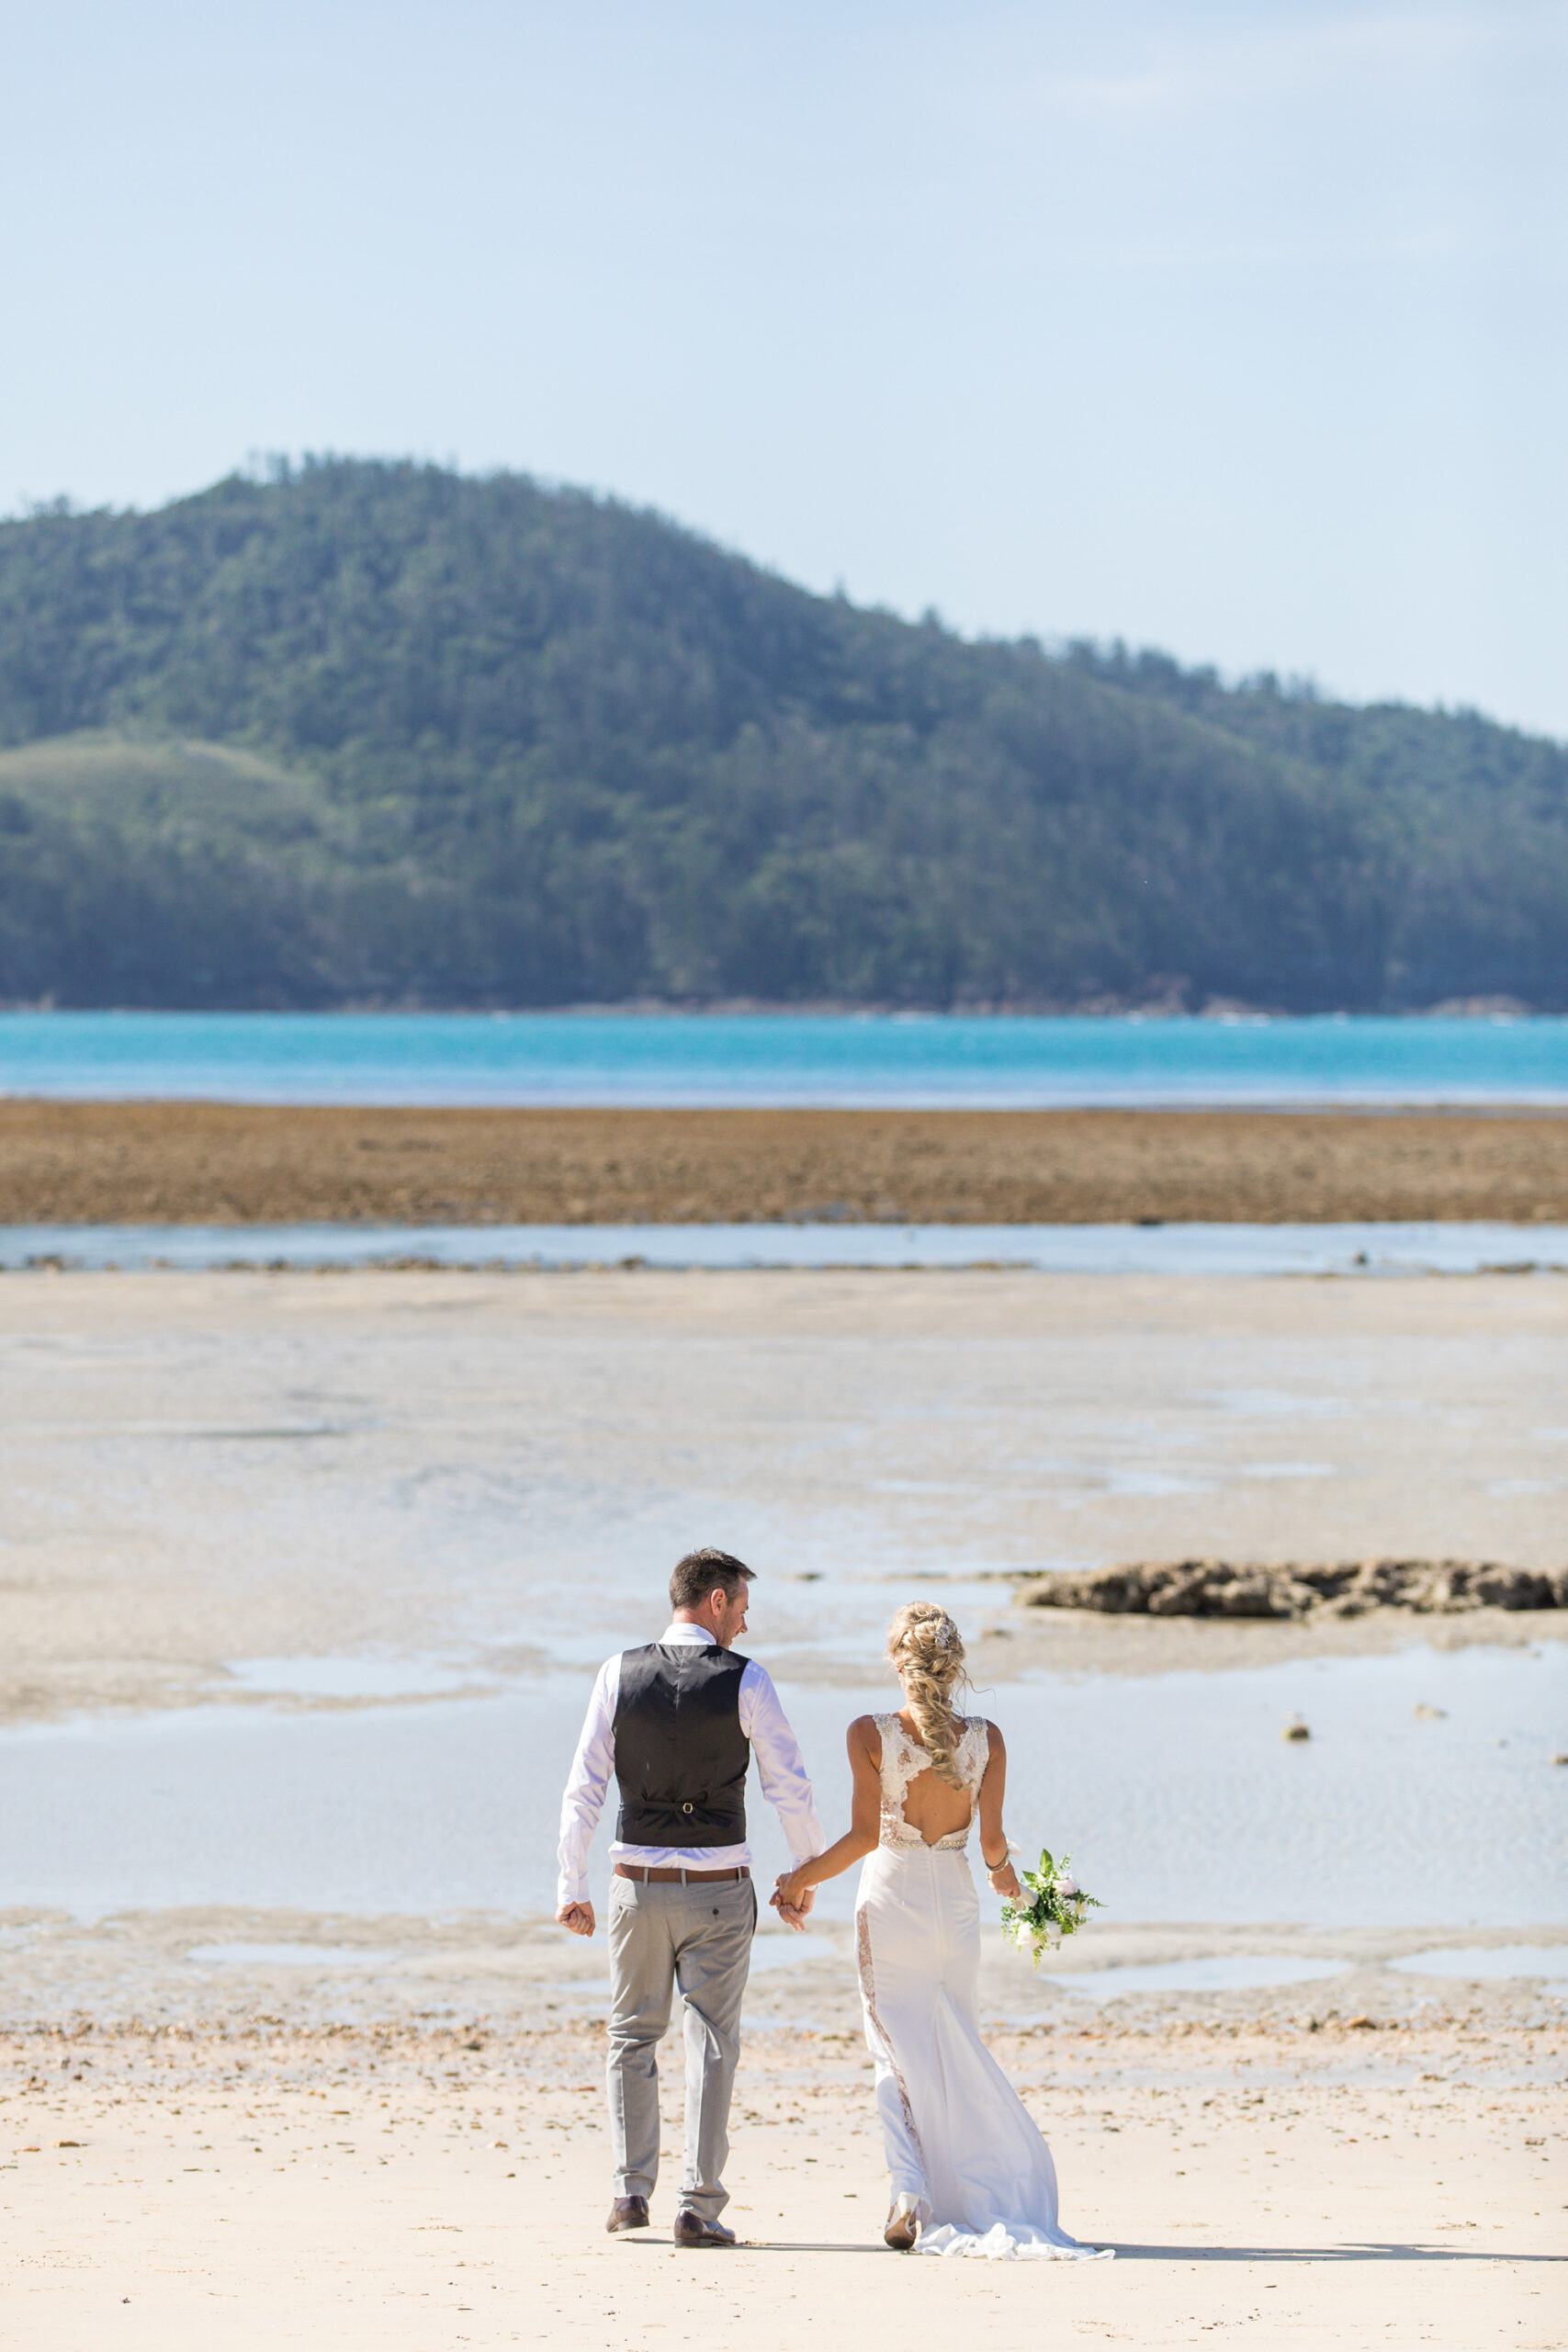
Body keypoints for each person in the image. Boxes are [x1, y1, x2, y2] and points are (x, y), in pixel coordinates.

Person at [772, 1600, 1111, 2261]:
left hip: (892, 1898)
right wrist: (1021, 1890)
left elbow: (866, 1837)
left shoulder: (869, 1733)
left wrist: (798, 1880)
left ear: (898, 1662)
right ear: (953, 1666)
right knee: (955, 2049)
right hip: (956, 1908)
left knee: (893, 2054)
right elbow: (991, 1848)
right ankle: (977, 2190)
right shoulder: (987, 1738)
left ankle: (909, 2194)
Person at [557, 1547, 826, 2246]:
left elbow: (584, 1785)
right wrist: (804, 1876)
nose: (744, 1623)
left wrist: (570, 1885)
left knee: (630, 2036)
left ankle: (628, 2191)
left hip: (635, 1891)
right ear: (714, 1602)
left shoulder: (617, 1673)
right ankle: (697, 2208)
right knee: (709, 2043)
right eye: (741, 1607)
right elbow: (787, 1786)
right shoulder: (747, 1681)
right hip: (716, 1891)